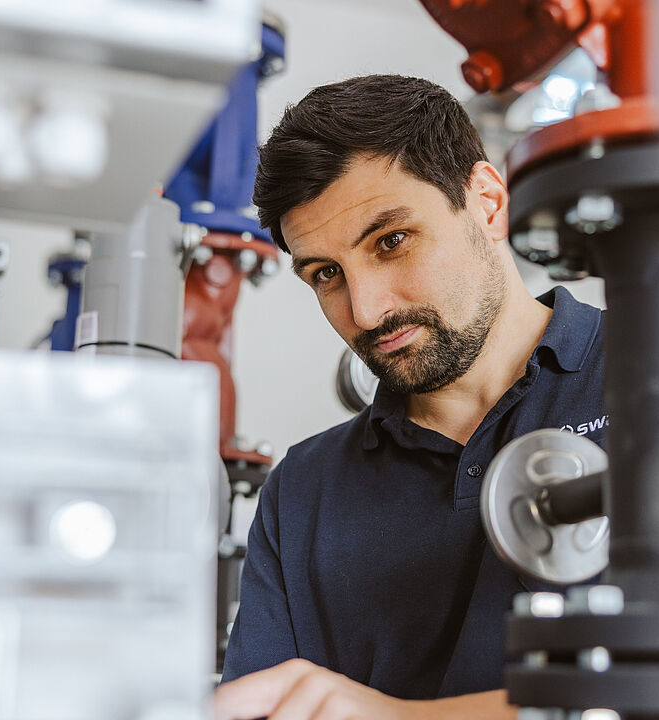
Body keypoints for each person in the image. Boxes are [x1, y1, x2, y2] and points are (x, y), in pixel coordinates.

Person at [213, 75, 606, 720]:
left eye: (390, 242)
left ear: (485, 201)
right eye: (326, 275)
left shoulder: (658, 385)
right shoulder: (303, 492)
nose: (366, 310)